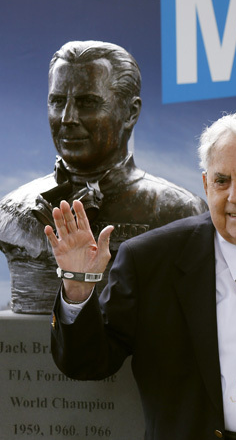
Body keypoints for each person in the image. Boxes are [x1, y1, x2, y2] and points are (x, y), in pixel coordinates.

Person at [46, 112, 236, 439]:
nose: (234, 196)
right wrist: (78, 289)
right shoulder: (151, 259)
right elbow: (90, 363)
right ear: (205, 184)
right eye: (221, 181)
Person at [0, 40, 207, 314]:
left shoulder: (180, 211)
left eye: (87, 103)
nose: (67, 118)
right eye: (58, 101)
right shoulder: (12, 209)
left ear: (130, 112)